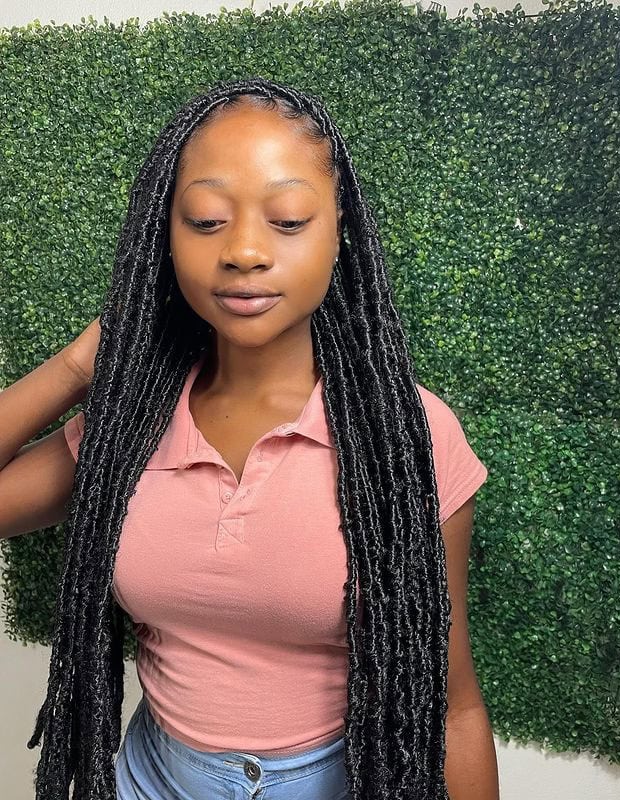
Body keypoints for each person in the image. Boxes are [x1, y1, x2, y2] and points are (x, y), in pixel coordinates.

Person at [0, 77, 499, 799]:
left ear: (340, 236)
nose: (242, 251)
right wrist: (79, 366)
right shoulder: (127, 424)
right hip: (149, 781)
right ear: (161, 235)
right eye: (204, 220)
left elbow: (452, 708)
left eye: (289, 220)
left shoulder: (407, 440)